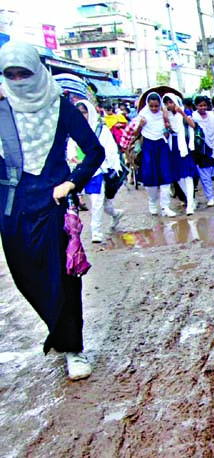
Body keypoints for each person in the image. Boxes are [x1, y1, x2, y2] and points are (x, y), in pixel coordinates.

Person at [0, 41, 106, 380]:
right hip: (13, 208)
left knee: (64, 278)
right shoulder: (2, 109)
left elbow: (94, 151)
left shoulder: (61, 107)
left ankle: (74, 348)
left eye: (24, 73)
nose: (18, 80)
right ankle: (60, 333)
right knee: (26, 277)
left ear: (37, 72)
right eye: (10, 74)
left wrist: (72, 183)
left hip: (54, 206)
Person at [70, 100, 124, 243]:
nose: (82, 115)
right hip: (81, 172)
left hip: (98, 171)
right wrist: (74, 158)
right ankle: (116, 214)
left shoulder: (101, 129)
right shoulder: (75, 129)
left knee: (97, 202)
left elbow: (110, 150)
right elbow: (71, 148)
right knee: (104, 205)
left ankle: (96, 231)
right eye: (79, 113)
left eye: (84, 112)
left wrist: (111, 165)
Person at [133, 93, 178, 216]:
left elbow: (168, 133)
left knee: (166, 177)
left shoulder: (164, 115)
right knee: (150, 177)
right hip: (148, 147)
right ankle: (152, 202)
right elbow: (134, 134)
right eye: (151, 106)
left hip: (162, 146)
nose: (154, 109)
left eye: (156, 106)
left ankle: (165, 207)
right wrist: (140, 126)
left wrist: (167, 125)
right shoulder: (142, 116)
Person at [163, 93, 198, 215]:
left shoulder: (184, 112)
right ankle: (191, 200)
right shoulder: (166, 116)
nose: (169, 105)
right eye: (167, 103)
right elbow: (166, 134)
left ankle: (190, 205)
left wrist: (182, 114)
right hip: (173, 147)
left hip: (184, 146)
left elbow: (193, 125)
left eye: (171, 102)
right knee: (178, 177)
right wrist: (167, 127)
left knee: (187, 175)